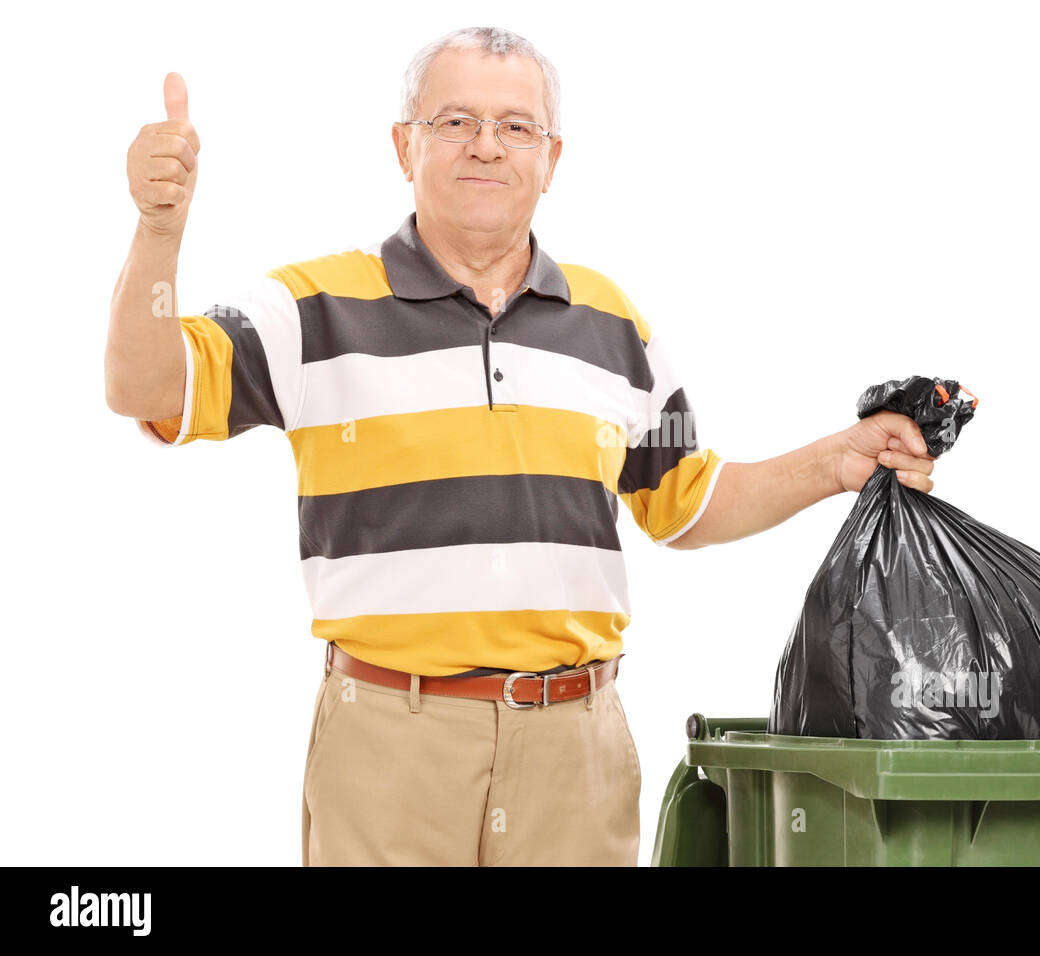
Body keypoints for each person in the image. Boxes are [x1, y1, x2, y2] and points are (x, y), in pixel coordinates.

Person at [104, 25, 936, 867]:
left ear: (552, 157)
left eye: (515, 126)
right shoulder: (310, 309)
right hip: (390, 750)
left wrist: (837, 462)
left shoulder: (614, 326)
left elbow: (690, 502)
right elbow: (145, 386)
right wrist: (159, 230)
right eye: (454, 122)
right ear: (404, 146)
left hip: (575, 757)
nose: (486, 146)